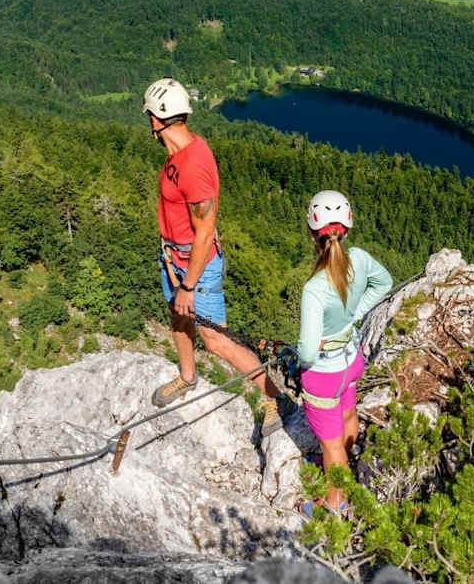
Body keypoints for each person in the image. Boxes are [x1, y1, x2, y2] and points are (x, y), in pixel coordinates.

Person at [144, 78, 284, 436]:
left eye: (149, 115)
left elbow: (205, 231)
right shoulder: (179, 153)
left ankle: (273, 397)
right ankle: (187, 377)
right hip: (174, 259)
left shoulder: (192, 163)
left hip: (195, 268)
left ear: (157, 119)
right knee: (178, 321)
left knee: (216, 339)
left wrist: (188, 285)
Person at [297, 190, 392, 516]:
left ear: (312, 232)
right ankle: (345, 463)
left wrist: (302, 358)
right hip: (352, 361)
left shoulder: (315, 289)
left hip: (324, 376)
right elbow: (384, 283)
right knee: (348, 415)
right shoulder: (362, 260)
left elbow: (308, 351)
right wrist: (355, 316)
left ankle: (336, 501)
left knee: (330, 443)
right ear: (347, 229)